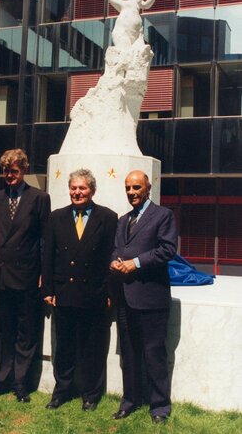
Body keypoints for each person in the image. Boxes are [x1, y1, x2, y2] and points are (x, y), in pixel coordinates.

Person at [0, 148, 51, 402]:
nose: (10, 175)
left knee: (25, 331)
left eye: (14, 171)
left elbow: (45, 240)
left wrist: (44, 274)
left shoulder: (39, 198)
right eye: (6, 171)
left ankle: (20, 383)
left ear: (24, 170)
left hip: (27, 276)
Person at [41, 169, 118, 411]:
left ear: (92, 191)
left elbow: (111, 257)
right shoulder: (56, 217)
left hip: (94, 295)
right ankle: (61, 392)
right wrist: (48, 289)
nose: (77, 192)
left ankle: (90, 395)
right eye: (73, 188)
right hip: (64, 293)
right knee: (63, 347)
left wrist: (109, 293)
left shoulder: (108, 217)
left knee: (92, 348)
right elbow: (48, 257)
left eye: (82, 188)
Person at [110, 170, 177, 424]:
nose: (131, 193)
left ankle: (159, 407)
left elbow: (167, 250)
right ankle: (130, 401)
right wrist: (114, 262)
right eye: (128, 188)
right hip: (126, 298)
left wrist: (135, 263)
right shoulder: (123, 219)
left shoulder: (163, 215)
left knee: (154, 354)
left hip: (152, 299)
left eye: (136, 188)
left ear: (148, 189)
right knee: (129, 354)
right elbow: (117, 249)